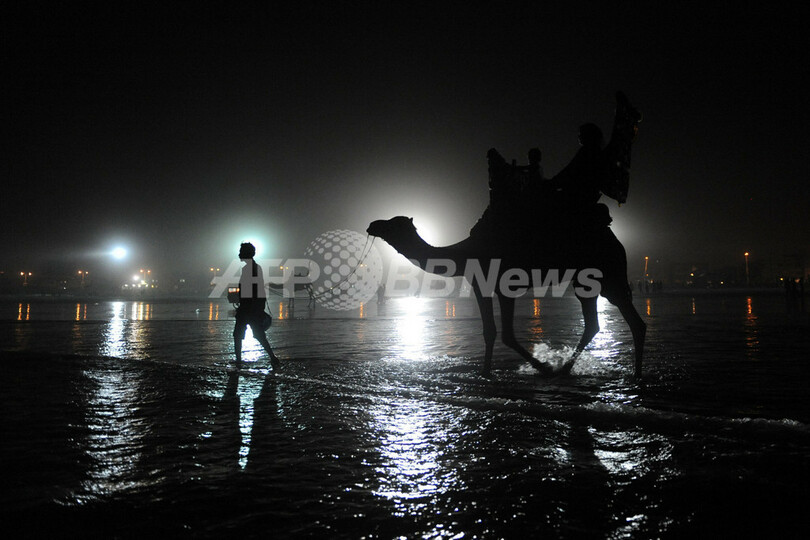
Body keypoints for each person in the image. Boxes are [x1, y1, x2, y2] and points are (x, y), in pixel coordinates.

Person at [233, 242, 280, 367]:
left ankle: (239, 360)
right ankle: (273, 358)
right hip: (251, 308)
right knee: (258, 334)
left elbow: (253, 289)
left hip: (248, 308)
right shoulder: (254, 268)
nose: (239, 254)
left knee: (238, 334)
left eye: (241, 251)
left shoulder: (250, 269)